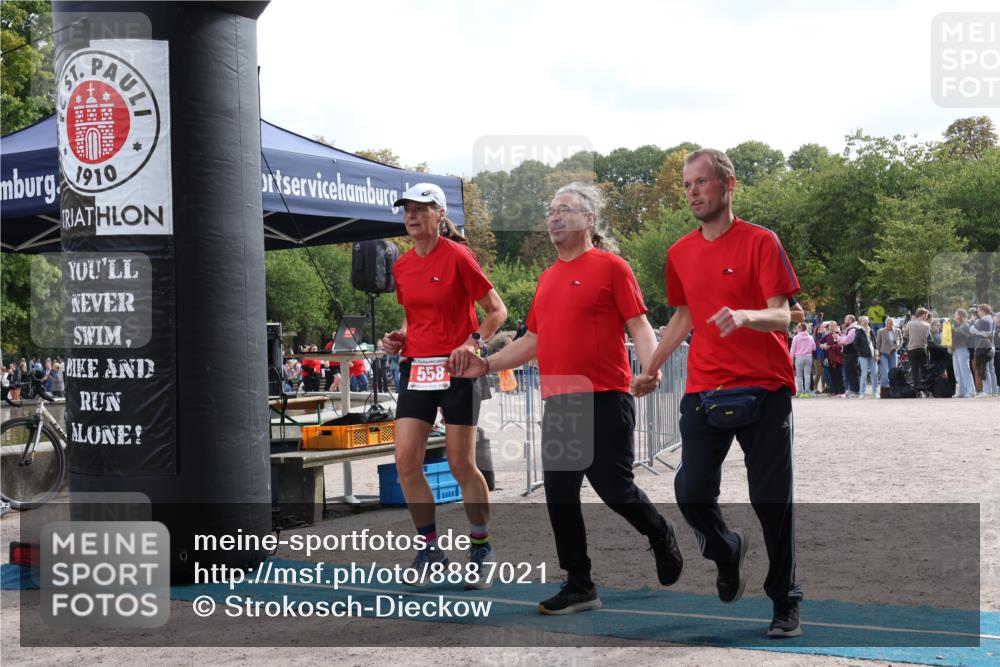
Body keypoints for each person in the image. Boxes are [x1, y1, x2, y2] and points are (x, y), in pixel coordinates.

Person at [452, 181, 683, 614]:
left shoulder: (612, 267)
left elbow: (638, 325)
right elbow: (532, 342)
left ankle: (658, 531)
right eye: (551, 211)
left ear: (589, 220)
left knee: (615, 489)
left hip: (606, 396)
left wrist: (651, 369)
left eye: (565, 209)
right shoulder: (547, 278)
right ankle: (580, 584)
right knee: (559, 492)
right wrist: (485, 365)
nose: (554, 217)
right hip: (561, 403)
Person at [634, 148, 803, 637]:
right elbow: (682, 317)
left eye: (701, 182)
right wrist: (650, 368)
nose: (692, 192)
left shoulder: (761, 241)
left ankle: (785, 599)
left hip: (765, 386)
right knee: (690, 491)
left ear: (728, 185)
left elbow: (784, 313)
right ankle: (727, 549)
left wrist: (747, 315)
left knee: (771, 500)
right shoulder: (679, 253)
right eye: (687, 185)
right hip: (705, 388)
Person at [380, 183, 507, 589]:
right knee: (406, 463)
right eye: (407, 210)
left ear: (439, 214)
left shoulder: (458, 256)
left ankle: (481, 547)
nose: (411, 216)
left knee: (460, 464)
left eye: (421, 209)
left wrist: (472, 342)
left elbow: (496, 311)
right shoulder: (402, 266)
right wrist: (398, 338)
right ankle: (430, 549)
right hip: (417, 369)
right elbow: (413, 319)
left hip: (457, 370)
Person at [904, 308, 932, 393]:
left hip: (912, 349)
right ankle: (925, 389)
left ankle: (916, 390)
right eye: (926, 315)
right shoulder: (927, 325)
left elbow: (905, 335)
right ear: (923, 315)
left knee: (914, 370)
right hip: (922, 348)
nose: (926, 317)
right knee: (924, 369)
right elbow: (927, 337)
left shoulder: (910, 323)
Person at [875, 316, 902, 397]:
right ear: (885, 323)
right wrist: (878, 354)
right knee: (885, 372)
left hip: (893, 353)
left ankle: (893, 390)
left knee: (893, 372)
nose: (888, 325)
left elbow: (901, 340)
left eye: (890, 323)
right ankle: (884, 391)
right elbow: (878, 344)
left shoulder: (897, 330)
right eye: (887, 323)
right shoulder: (881, 331)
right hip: (884, 353)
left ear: (893, 324)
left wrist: (897, 347)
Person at [789, 323, 815, 397]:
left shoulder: (796, 337)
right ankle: (807, 392)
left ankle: (800, 392)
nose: (796, 329)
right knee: (807, 375)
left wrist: (790, 359)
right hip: (808, 357)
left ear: (800, 329)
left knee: (799, 376)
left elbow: (792, 349)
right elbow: (814, 348)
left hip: (799, 357)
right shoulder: (810, 337)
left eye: (797, 328)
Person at [855, 316, 877, 398]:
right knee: (864, 374)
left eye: (866, 320)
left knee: (874, 374)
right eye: (863, 321)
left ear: (868, 321)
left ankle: (875, 393)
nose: (865, 322)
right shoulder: (858, 331)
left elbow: (875, 343)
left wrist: (876, 353)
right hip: (863, 356)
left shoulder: (872, 331)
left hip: (872, 355)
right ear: (861, 322)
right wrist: (861, 352)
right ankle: (862, 393)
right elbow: (855, 344)